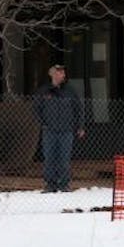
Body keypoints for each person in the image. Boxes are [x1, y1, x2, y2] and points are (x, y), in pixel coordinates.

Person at [33, 64, 85, 192]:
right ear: (52, 74)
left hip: (66, 130)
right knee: (49, 157)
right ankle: (50, 184)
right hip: (49, 131)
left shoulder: (70, 91)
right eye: (59, 72)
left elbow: (79, 109)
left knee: (64, 158)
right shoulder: (44, 91)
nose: (62, 75)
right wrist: (44, 123)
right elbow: (36, 109)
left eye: (63, 73)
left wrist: (80, 126)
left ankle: (64, 184)